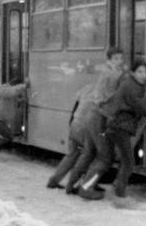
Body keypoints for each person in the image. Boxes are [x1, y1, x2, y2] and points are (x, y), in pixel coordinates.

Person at [78, 59, 146, 200]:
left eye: (145, 72)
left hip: (109, 122)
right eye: (139, 72)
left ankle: (91, 185)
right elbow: (144, 108)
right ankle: (90, 188)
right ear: (132, 73)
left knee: (107, 158)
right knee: (111, 160)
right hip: (109, 123)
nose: (143, 75)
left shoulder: (135, 84)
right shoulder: (130, 86)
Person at [53, 47, 126, 193]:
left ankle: (72, 185)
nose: (119, 61)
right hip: (99, 118)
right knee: (104, 158)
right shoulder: (110, 73)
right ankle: (87, 187)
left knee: (90, 154)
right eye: (116, 58)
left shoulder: (109, 72)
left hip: (92, 118)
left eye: (120, 58)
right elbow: (111, 93)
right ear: (109, 59)